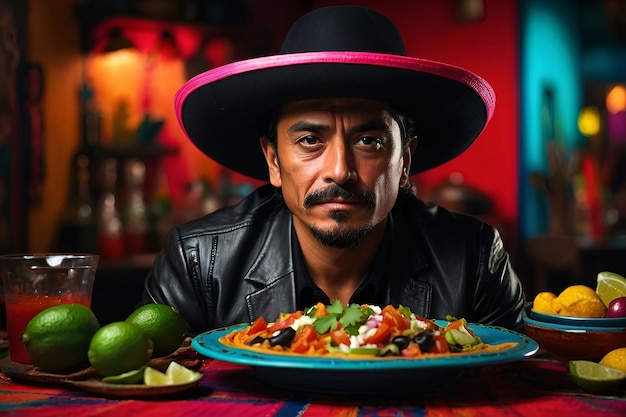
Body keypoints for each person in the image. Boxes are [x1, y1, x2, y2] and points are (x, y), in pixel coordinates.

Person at [141, 5, 527, 335]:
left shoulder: (474, 260)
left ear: (405, 160)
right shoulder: (198, 262)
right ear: (274, 161)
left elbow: (510, 391)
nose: (340, 171)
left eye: (369, 141)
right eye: (310, 140)